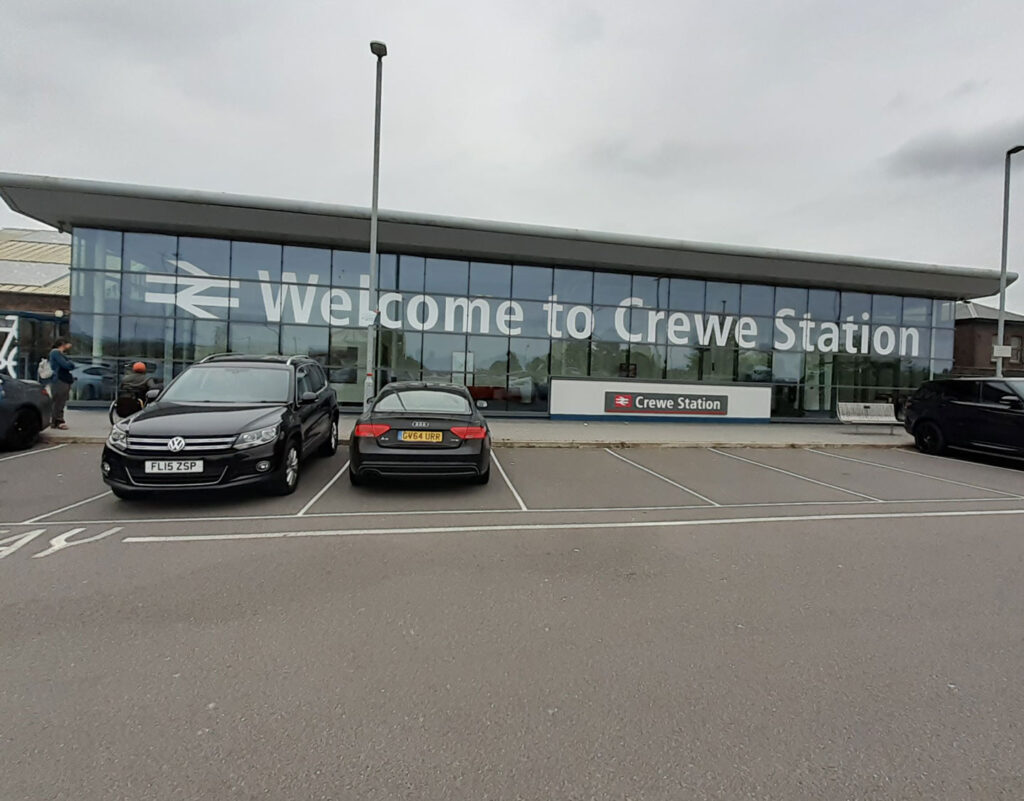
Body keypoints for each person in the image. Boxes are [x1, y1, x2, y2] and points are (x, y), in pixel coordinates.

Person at [48, 338, 75, 430]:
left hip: (63, 379)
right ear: (63, 344)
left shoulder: (59, 354)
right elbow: (66, 365)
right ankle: (58, 421)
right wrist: (70, 363)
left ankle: (55, 421)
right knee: (59, 400)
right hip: (60, 379)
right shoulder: (56, 352)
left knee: (60, 400)